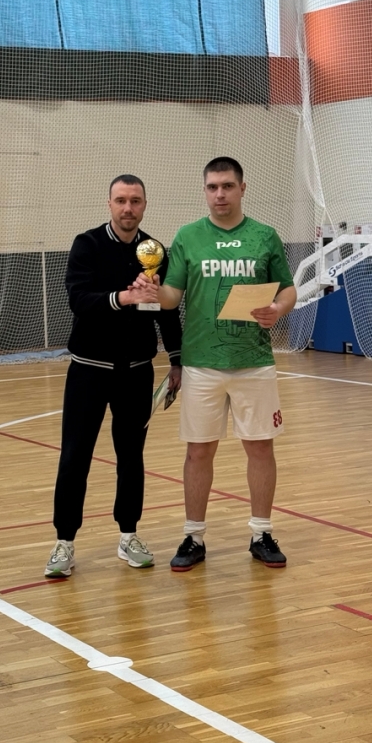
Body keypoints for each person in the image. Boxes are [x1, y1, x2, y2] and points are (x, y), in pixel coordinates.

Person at [134, 157, 296, 571]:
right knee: (198, 451)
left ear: (242, 188)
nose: (219, 194)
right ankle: (193, 536)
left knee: (260, 447)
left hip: (253, 361)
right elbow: (172, 296)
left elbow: (288, 290)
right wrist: (151, 291)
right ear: (204, 191)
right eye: (212, 187)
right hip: (201, 362)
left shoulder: (264, 236)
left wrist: (277, 309)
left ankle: (261, 533)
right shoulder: (188, 236)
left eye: (227, 186)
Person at [44, 175, 182, 579]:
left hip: (137, 373)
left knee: (131, 457)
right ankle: (64, 541)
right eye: (121, 200)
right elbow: (79, 300)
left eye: (135, 201)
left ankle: (129, 535)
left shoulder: (154, 252)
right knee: (75, 457)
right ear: (109, 204)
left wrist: (176, 360)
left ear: (144, 205)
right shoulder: (86, 245)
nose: (128, 208)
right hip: (88, 371)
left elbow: (167, 310)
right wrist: (125, 297)